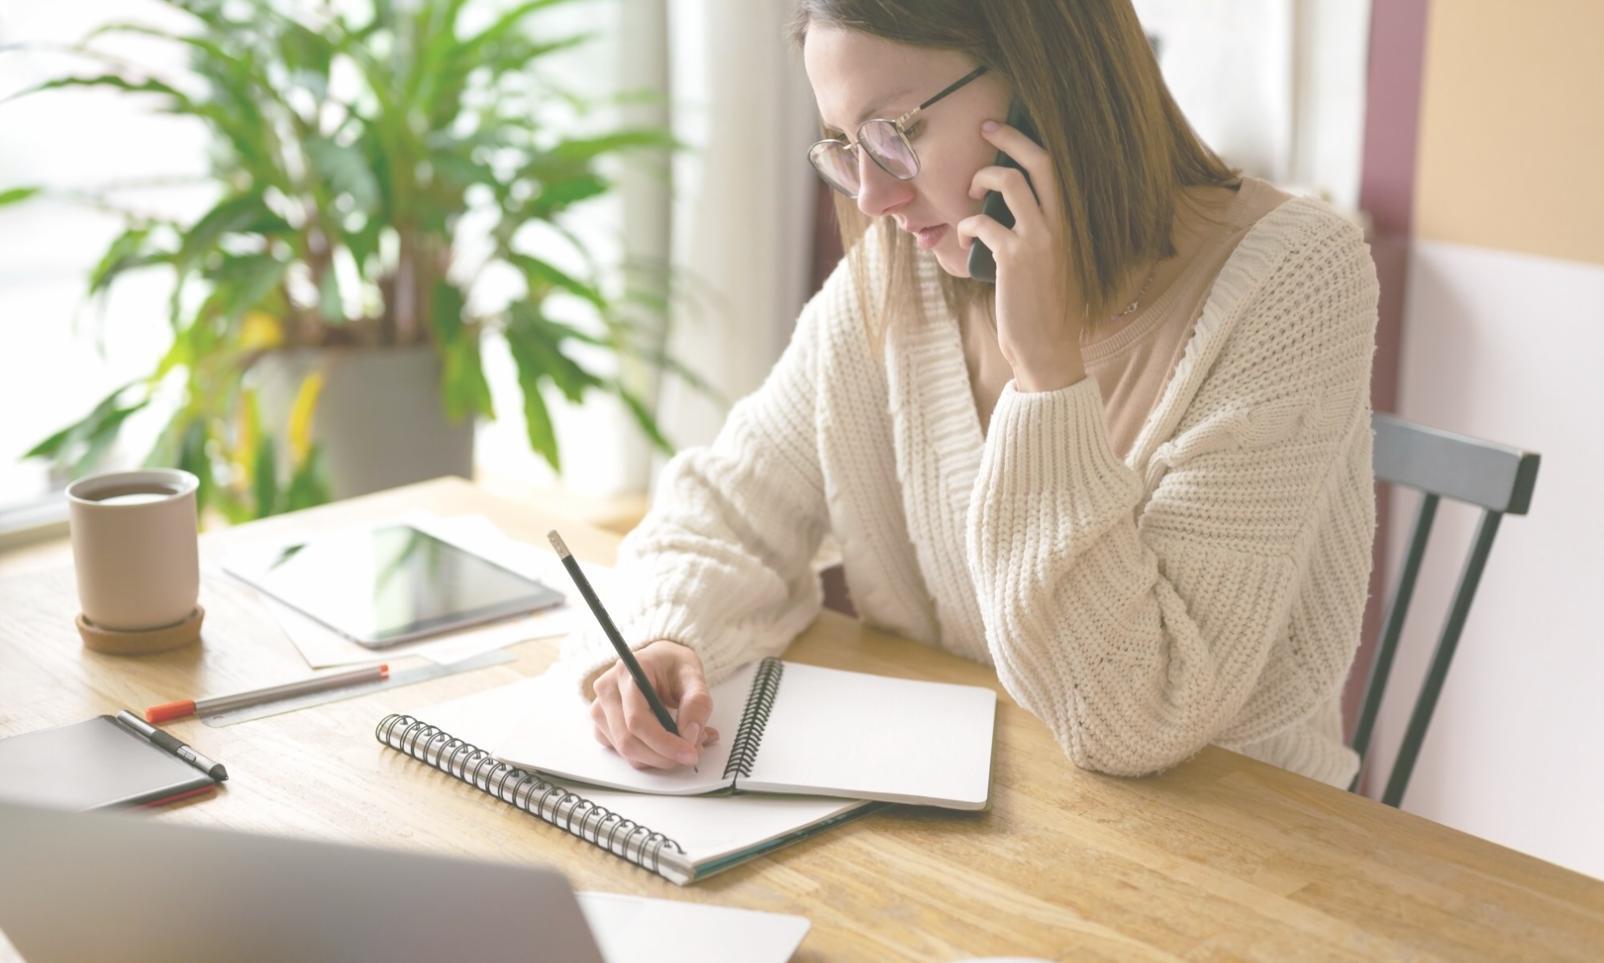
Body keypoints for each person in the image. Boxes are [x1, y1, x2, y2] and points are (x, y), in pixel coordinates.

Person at [560, 0, 1379, 789]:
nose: (873, 198)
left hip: (1239, 847)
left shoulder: (1298, 280)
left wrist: (1048, 377)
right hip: (988, 818)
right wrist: (668, 636)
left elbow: (1138, 713)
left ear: (1044, 77)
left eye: (897, 133)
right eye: (846, 147)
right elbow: (726, 514)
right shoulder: (903, 272)